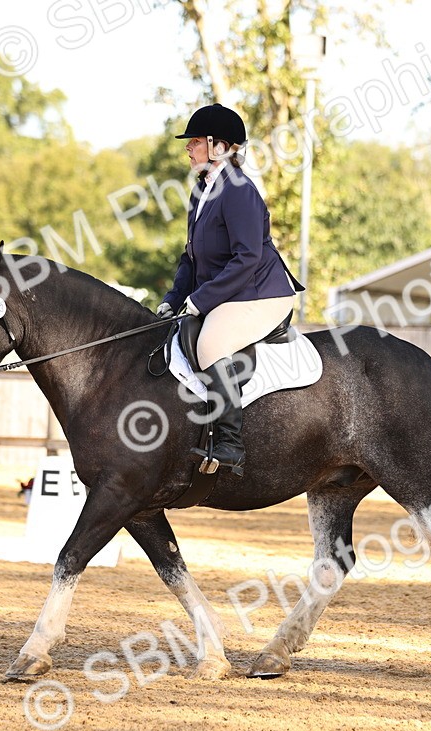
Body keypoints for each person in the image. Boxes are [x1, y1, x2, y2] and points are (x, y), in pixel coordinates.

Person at [156, 103, 303, 475]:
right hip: (232, 292)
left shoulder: (238, 190)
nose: (188, 148)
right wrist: (174, 298)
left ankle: (230, 443)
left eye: (195, 142)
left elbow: (247, 257)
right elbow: (191, 257)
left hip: (261, 292)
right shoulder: (201, 191)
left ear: (218, 146)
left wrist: (200, 300)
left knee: (210, 342)